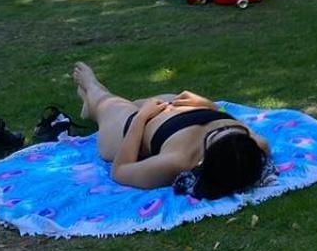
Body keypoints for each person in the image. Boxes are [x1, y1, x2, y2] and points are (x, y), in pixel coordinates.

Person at [72, 61, 269, 196]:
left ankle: (91, 90)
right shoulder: (255, 145)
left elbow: (120, 171)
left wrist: (141, 118)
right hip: (169, 110)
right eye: (229, 128)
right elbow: (238, 127)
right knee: (132, 102)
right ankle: (91, 105)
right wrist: (211, 107)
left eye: (218, 132)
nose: (227, 128)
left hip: (130, 128)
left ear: (205, 159)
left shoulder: (177, 161)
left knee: (104, 100)